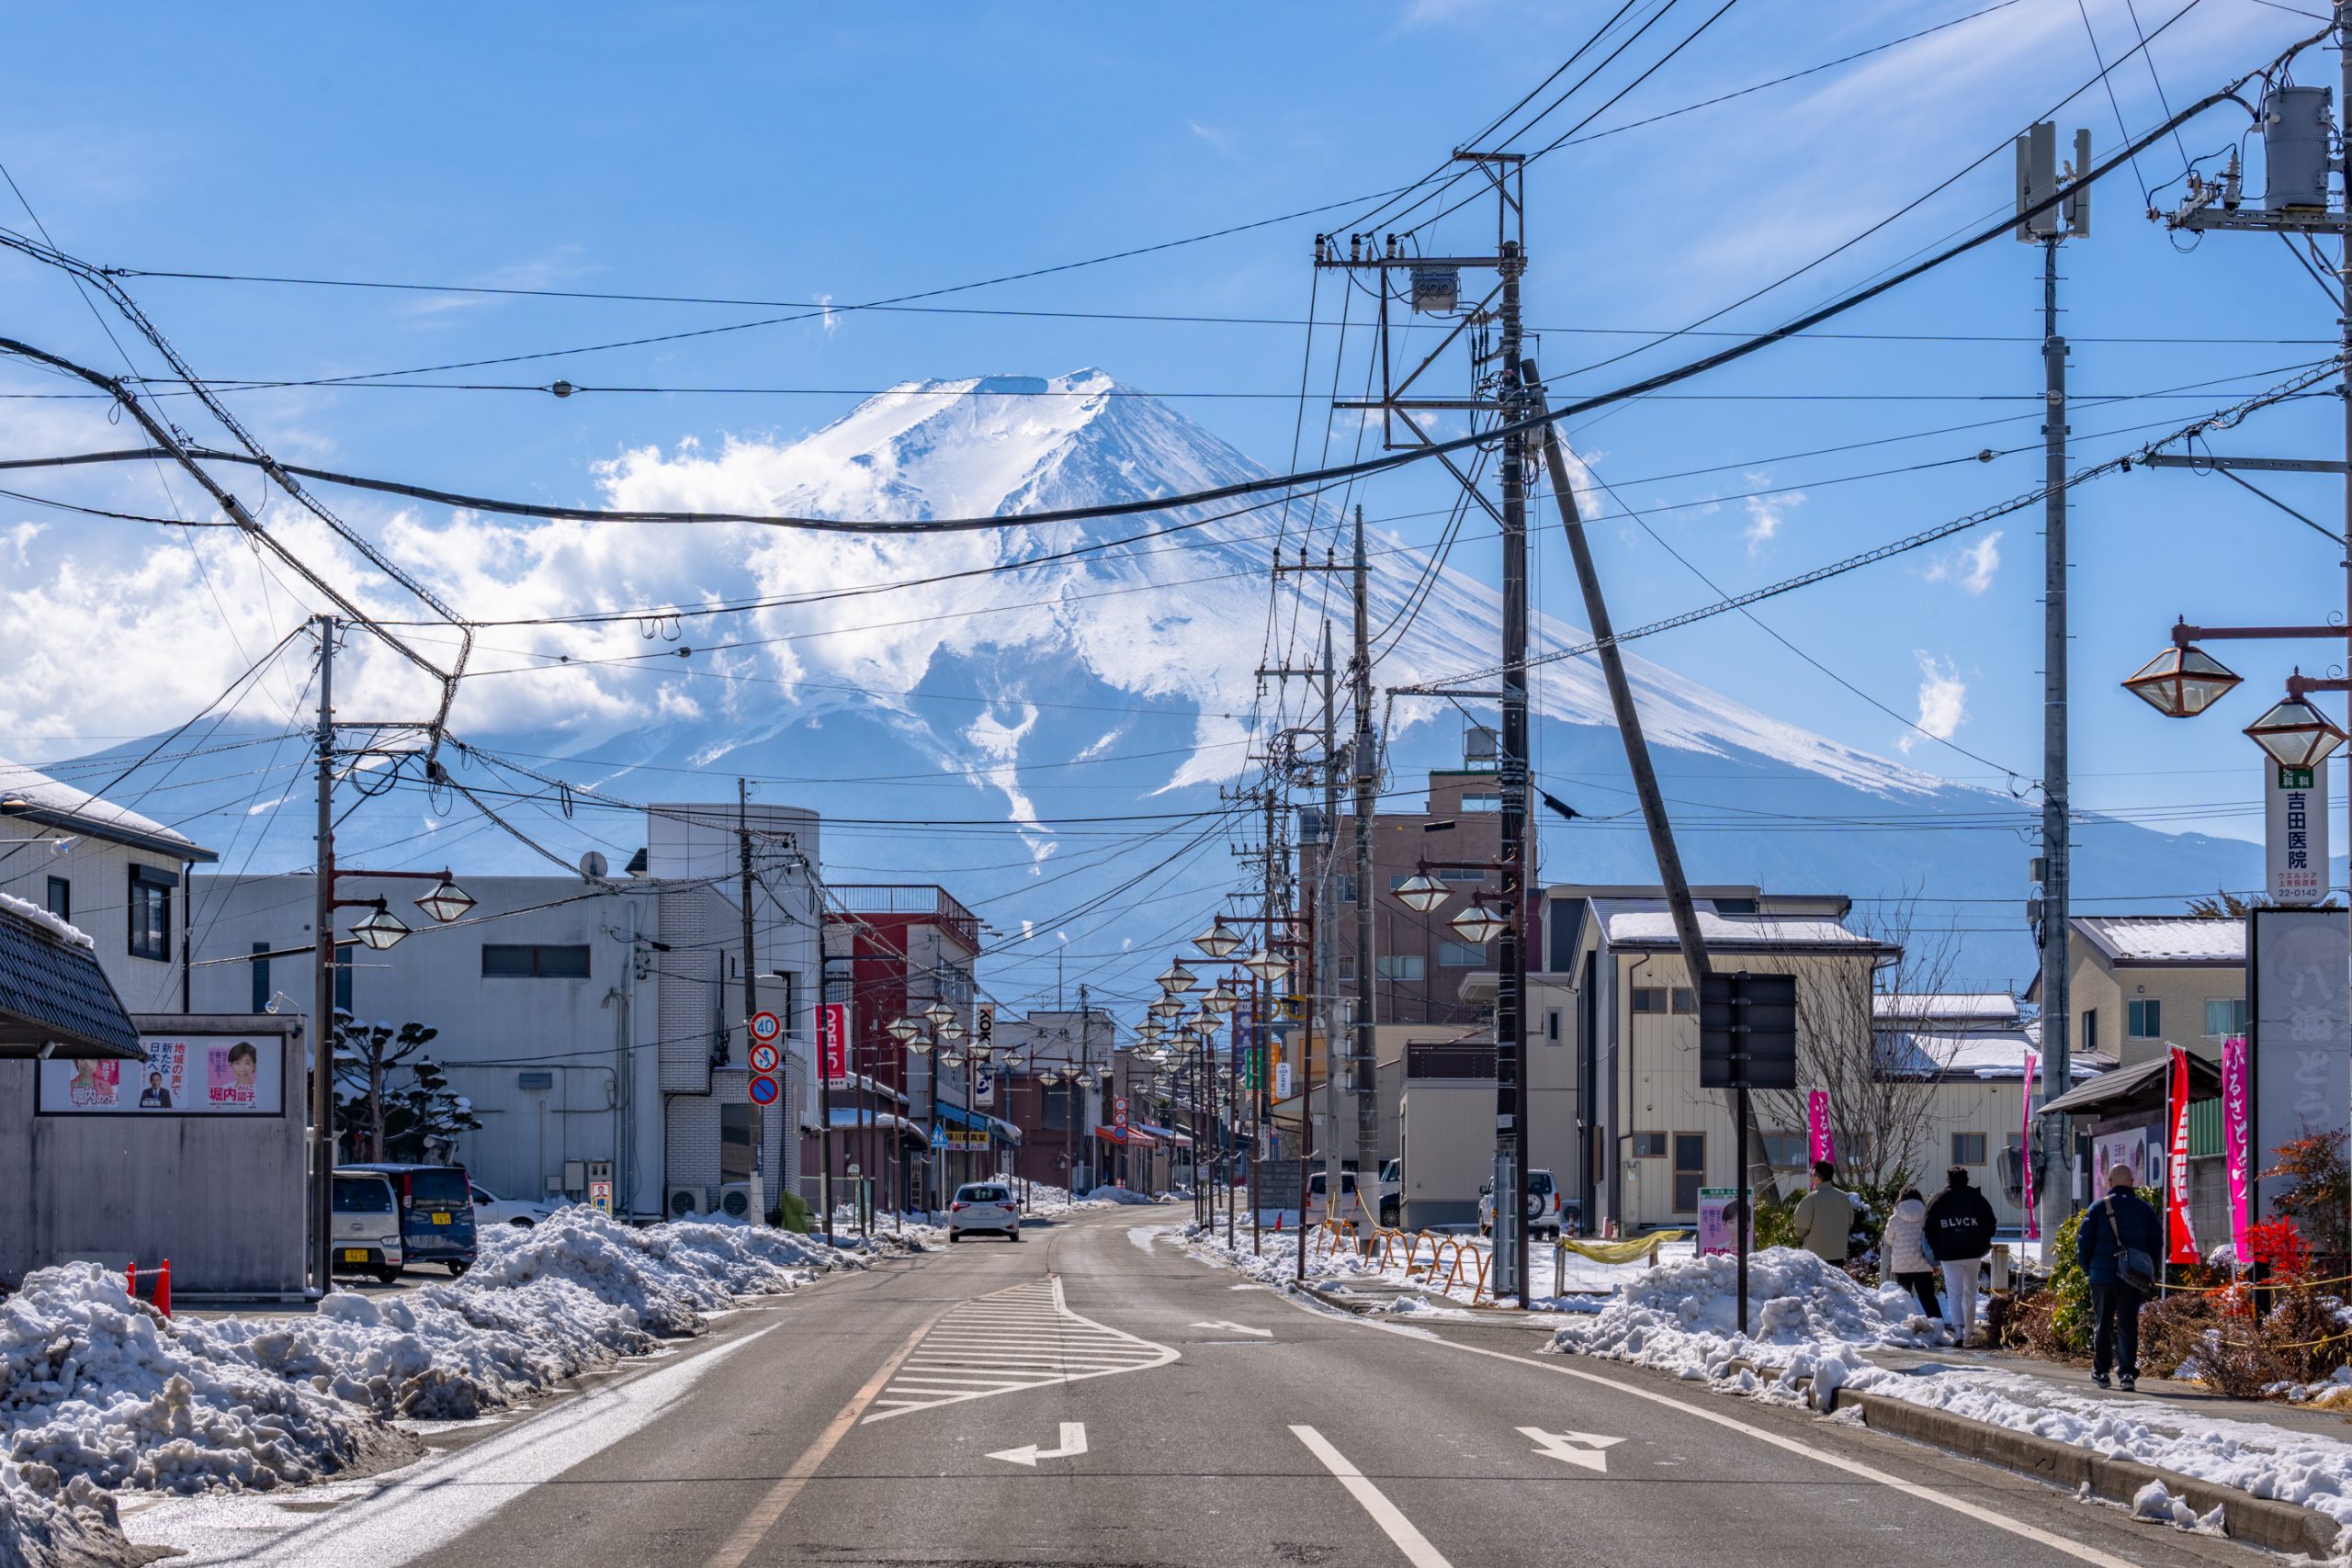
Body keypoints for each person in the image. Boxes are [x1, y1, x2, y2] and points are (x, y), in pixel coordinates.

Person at [2077, 1162, 2162, 1391]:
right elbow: (2156, 1243)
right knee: (2127, 1324)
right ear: (2132, 1183)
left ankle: (2101, 1372)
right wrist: (2146, 1268)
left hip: (2102, 1276)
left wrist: (2090, 1269)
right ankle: (2127, 1375)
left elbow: (2084, 1243)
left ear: (2110, 1182)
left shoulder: (2098, 1207)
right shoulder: (2144, 1209)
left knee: (2102, 1323)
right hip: (2132, 1277)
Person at [1925, 1165, 1996, 1344]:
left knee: (1955, 1293)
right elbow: (1991, 1222)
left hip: (1949, 1254)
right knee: (1970, 1292)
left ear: (1948, 1180)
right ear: (1966, 1180)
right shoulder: (1976, 1198)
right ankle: (1969, 1332)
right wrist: (1983, 1241)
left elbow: (1928, 1226)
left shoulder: (1939, 1199)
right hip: (1973, 1252)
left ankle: (1958, 1331)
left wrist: (1937, 1247)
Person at [1883, 1186, 1939, 1319]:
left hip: (1901, 1266)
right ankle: (1937, 1323)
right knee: (1928, 1298)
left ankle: (1903, 1324)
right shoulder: (1927, 1217)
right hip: (1923, 1264)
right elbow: (1934, 1239)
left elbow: (1888, 1239)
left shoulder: (1895, 1218)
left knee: (1902, 1299)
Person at [1791, 1159, 1857, 1263]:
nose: (1811, 1177)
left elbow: (1801, 1226)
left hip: (1815, 1253)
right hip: (1838, 1252)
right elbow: (1850, 1221)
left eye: (1812, 1175)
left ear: (1817, 1178)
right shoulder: (1843, 1197)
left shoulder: (1810, 1198)